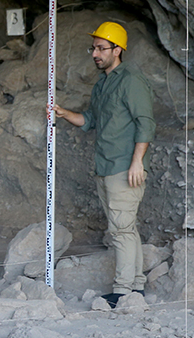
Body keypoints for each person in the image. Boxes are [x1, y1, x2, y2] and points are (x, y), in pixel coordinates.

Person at [52, 22, 155, 308]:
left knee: (121, 231)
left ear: (117, 49)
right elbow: (90, 120)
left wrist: (137, 163)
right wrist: (63, 113)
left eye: (101, 48)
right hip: (106, 166)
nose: (95, 54)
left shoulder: (131, 80)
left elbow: (145, 123)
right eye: (93, 48)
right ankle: (136, 286)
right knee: (126, 229)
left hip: (124, 167)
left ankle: (122, 291)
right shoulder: (103, 83)